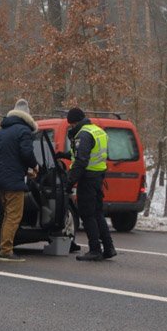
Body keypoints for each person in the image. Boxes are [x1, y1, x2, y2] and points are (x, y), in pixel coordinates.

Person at [66, 107, 116, 261]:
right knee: (97, 213)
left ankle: (94, 249)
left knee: (87, 214)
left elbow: (81, 160)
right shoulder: (97, 131)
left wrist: (69, 182)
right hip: (98, 176)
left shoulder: (84, 134)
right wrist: (64, 154)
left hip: (87, 178)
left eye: (71, 125)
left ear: (75, 122)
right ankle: (108, 248)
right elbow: (87, 152)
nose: (71, 128)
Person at [0, 99, 39, 262]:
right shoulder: (23, 131)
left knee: (7, 215)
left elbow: (8, 157)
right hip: (14, 181)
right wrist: (34, 166)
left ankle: (4, 245)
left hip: (0, 179)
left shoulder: (1, 132)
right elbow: (26, 153)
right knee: (14, 216)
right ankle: (6, 250)